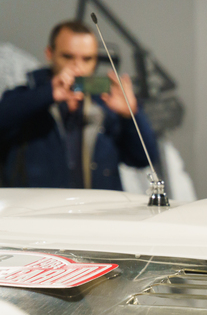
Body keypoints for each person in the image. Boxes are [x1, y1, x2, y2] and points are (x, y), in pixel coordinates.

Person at [0, 20, 158, 190]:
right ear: (50, 53)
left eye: (87, 59)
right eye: (68, 56)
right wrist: (47, 94)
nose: (77, 66)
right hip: (40, 206)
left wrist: (131, 115)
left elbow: (143, 159)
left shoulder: (107, 103)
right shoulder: (27, 95)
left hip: (98, 206)